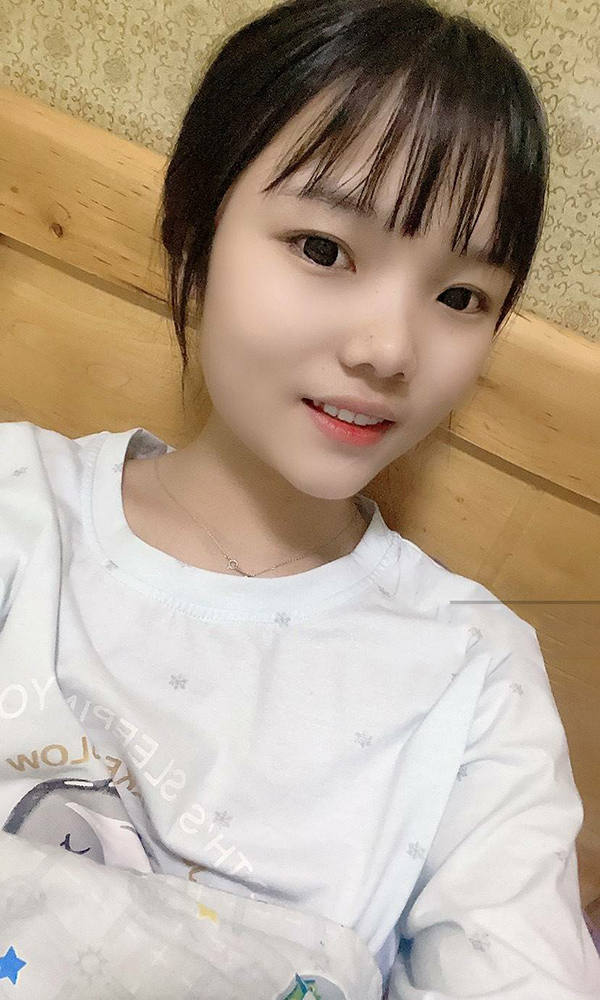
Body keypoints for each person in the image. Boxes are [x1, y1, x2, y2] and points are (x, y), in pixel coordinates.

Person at [1, 0, 599, 997]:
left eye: (461, 297)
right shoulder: (19, 509)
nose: (390, 349)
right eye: (324, 249)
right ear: (194, 224)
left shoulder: (475, 674)